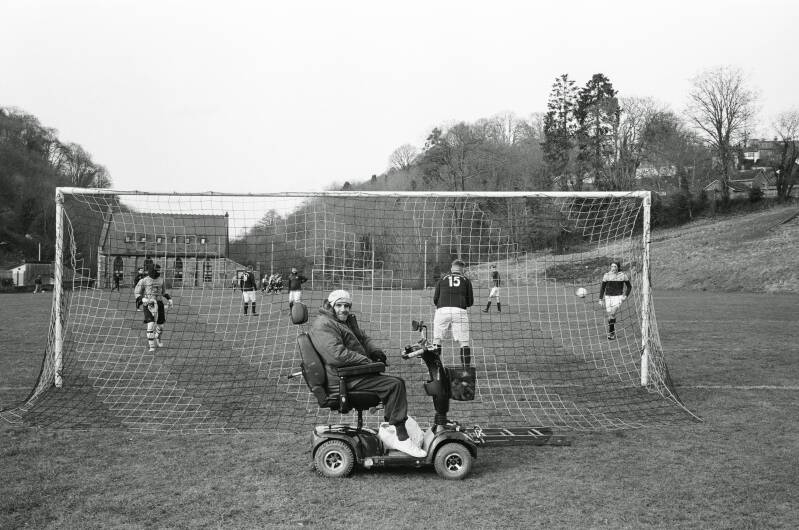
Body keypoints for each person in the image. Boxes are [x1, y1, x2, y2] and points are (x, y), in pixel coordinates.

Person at [309, 289, 426, 458]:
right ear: (331, 305)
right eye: (339, 305)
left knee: (394, 383)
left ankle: (393, 430)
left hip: (352, 374)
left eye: (347, 306)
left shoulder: (344, 321)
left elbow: (363, 339)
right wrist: (368, 363)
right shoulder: (324, 324)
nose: (344, 309)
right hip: (343, 378)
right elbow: (337, 356)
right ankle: (401, 437)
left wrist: (375, 352)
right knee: (395, 385)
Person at [432, 259, 474, 367]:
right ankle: (466, 370)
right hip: (459, 310)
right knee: (464, 342)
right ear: (462, 270)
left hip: (442, 310)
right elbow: (470, 302)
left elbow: (435, 299)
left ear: (451, 268)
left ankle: (435, 369)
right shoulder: (466, 280)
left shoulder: (442, 279)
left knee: (437, 339)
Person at [134, 263, 173, 352]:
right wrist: (142, 299)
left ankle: (158, 338)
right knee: (150, 325)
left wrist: (169, 299)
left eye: (159, 270)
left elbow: (164, 292)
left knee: (161, 326)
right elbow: (136, 292)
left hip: (159, 304)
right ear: (152, 270)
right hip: (148, 304)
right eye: (157, 270)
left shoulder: (161, 280)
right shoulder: (144, 280)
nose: (158, 272)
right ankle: (152, 346)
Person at [599, 261, 632, 340]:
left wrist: (625, 296)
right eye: (612, 266)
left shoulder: (623, 275)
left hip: (618, 297)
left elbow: (629, 287)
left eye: (615, 266)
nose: (613, 268)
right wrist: (600, 299)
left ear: (618, 267)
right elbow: (602, 288)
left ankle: (611, 334)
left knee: (613, 313)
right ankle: (612, 331)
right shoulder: (606, 275)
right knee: (610, 316)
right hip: (608, 297)